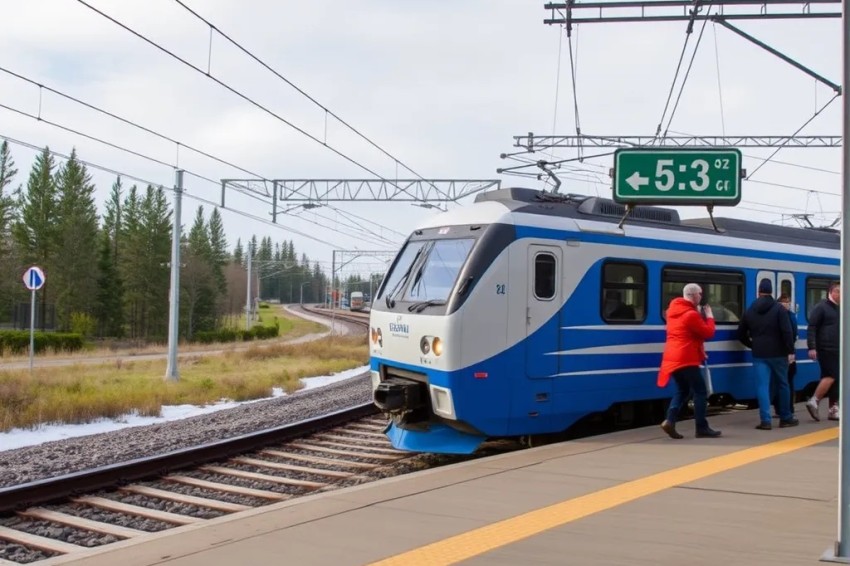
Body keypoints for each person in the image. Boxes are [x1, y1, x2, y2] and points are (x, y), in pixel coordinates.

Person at [658, 283, 721, 439]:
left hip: (672, 357)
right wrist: (710, 316)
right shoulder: (690, 315)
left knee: (682, 390)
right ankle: (701, 428)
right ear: (693, 295)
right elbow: (708, 332)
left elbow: (690, 335)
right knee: (700, 391)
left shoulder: (672, 312)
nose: (701, 296)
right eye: (700, 293)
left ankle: (670, 421)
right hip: (686, 358)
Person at [737, 279, 797, 430]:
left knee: (762, 387)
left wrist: (752, 344)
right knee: (783, 384)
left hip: (759, 354)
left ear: (758, 292)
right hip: (779, 354)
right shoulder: (779, 309)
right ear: (771, 292)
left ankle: (765, 421)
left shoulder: (750, 310)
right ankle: (785, 418)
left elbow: (740, 334)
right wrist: (790, 350)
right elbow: (787, 332)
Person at [806, 281, 841, 421]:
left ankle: (833, 409)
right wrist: (812, 347)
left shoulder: (841, 308)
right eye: (839, 291)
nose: (841, 294)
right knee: (831, 375)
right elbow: (812, 327)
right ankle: (814, 401)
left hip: (838, 348)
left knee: (837, 379)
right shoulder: (821, 307)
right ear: (831, 292)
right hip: (826, 348)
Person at [772, 293, 798, 416]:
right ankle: (787, 409)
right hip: (788, 353)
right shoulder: (791, 316)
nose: (786, 304)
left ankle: (783, 408)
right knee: (786, 382)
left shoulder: (780, 316)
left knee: (783, 382)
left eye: (787, 302)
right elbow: (794, 335)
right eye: (784, 302)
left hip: (784, 353)